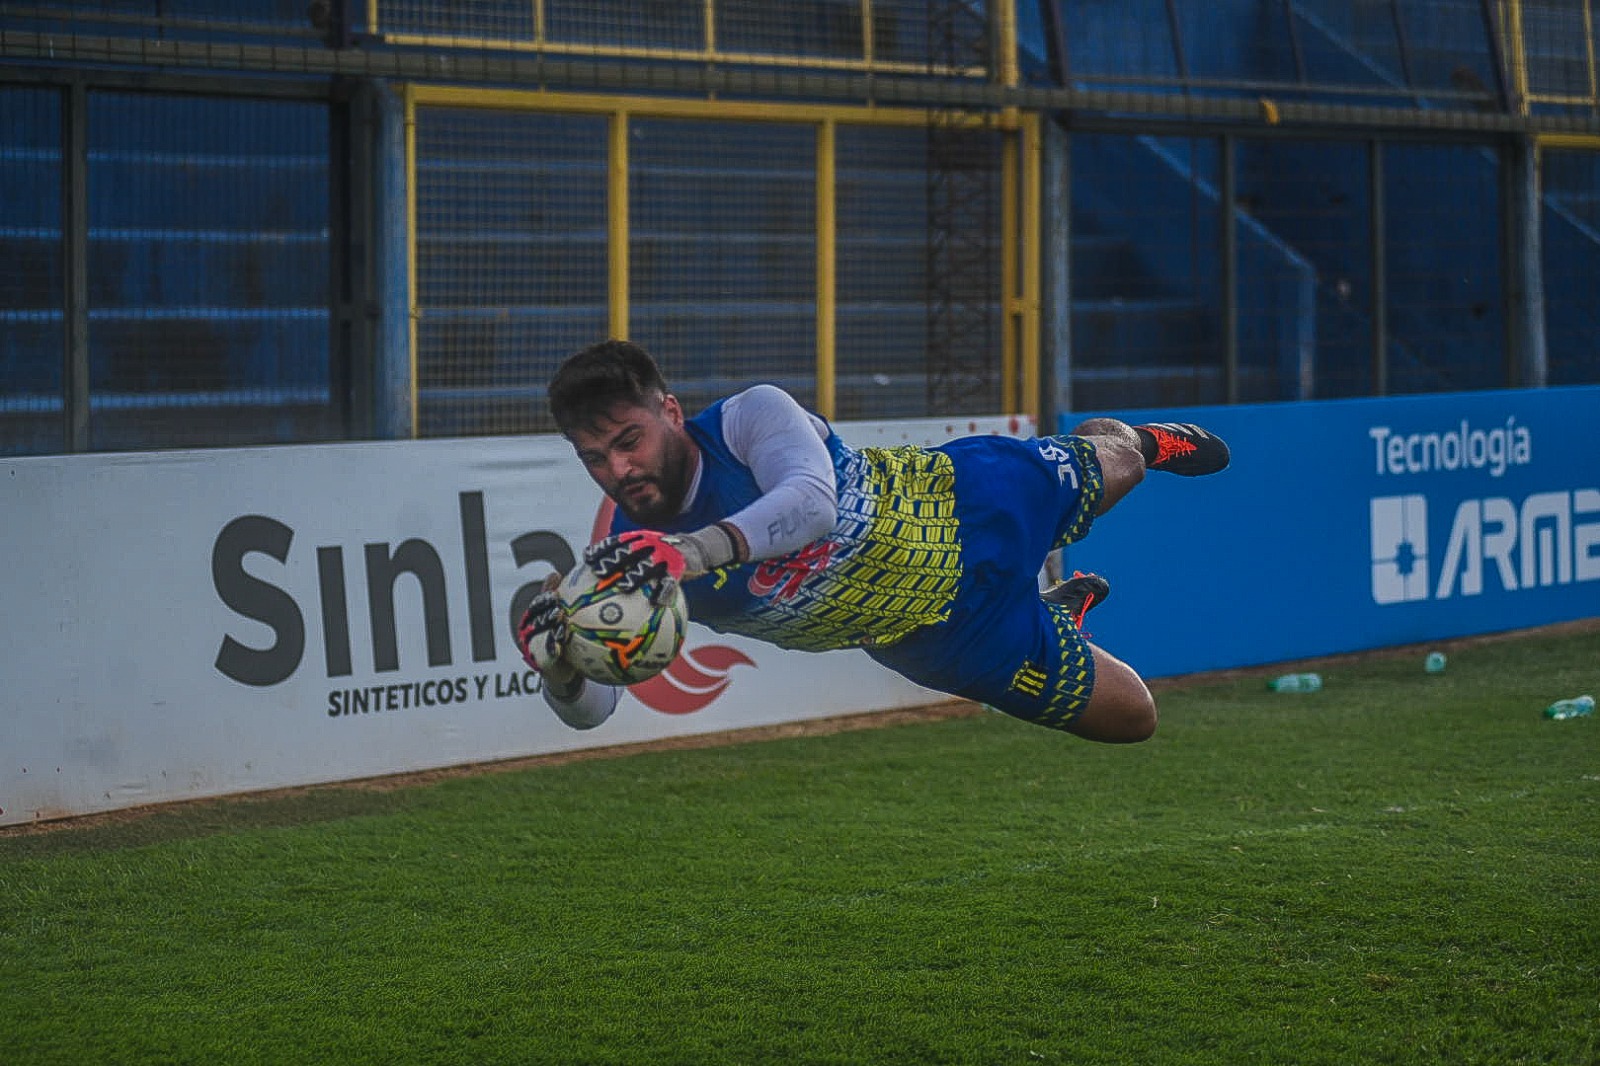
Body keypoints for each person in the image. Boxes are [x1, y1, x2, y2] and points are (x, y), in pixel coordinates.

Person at [516, 339, 1229, 742]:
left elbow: (812, 504)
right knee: (1133, 718)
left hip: (965, 506)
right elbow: (597, 711)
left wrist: (694, 551)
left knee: (1124, 464)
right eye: (593, 458)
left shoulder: (747, 419)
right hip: (938, 636)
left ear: (668, 411)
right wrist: (560, 668)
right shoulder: (622, 550)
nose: (618, 469)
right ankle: (1050, 617)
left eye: (628, 441)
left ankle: (1137, 435)